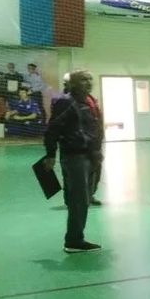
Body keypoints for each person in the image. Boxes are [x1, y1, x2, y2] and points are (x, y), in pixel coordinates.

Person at [43, 70, 101, 252]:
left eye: (90, 79)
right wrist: (50, 154)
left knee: (83, 198)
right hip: (75, 157)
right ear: (73, 83)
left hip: (90, 155)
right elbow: (52, 129)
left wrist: (97, 151)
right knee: (79, 200)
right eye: (83, 79)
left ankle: (76, 237)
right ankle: (74, 241)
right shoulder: (66, 102)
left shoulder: (89, 101)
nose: (88, 82)